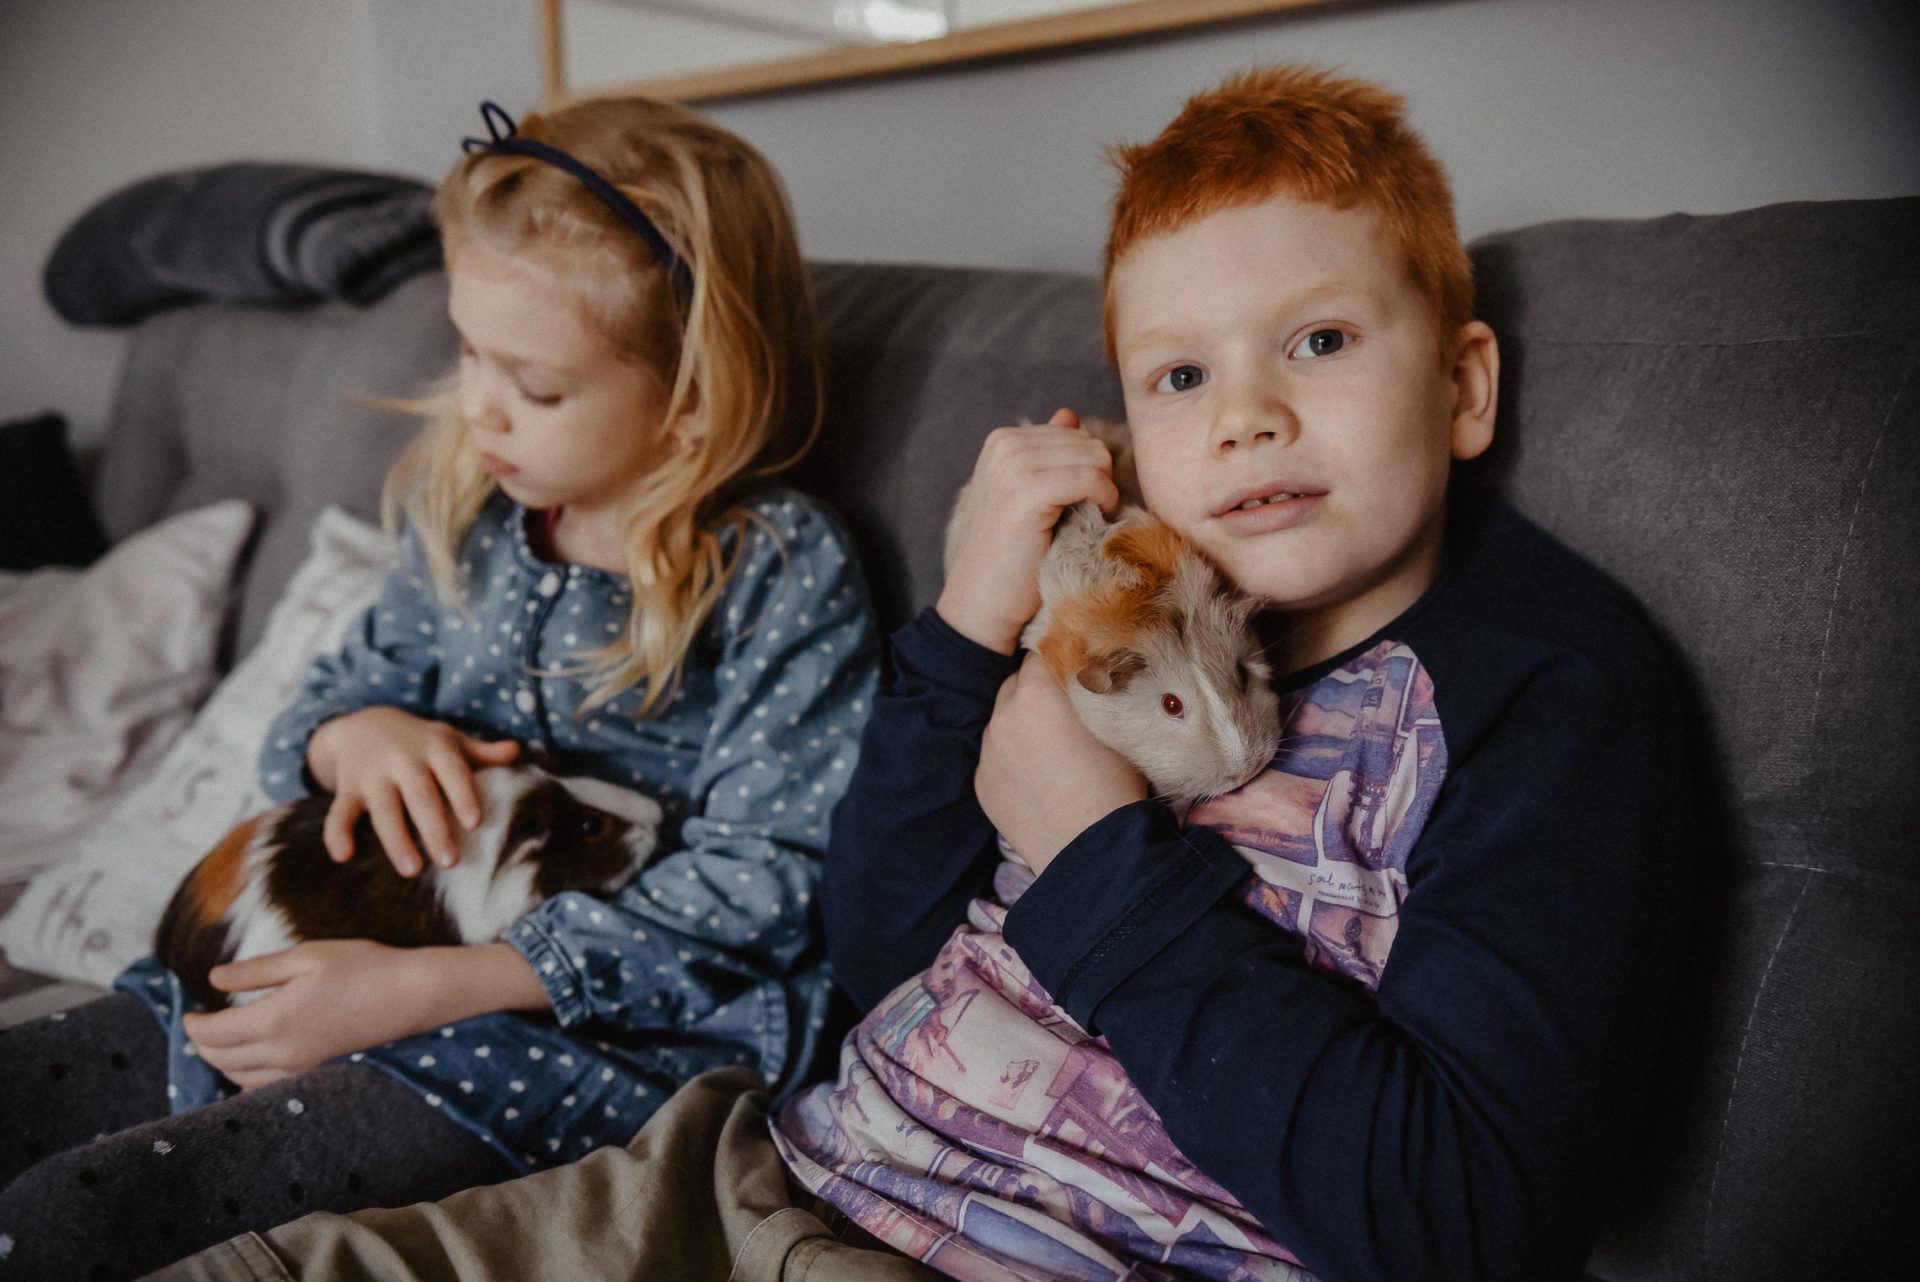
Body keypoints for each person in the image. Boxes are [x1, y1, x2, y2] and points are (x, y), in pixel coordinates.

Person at [144, 63, 1693, 1282]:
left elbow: (1460, 1220)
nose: (1246, 418)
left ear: (1465, 385)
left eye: (1322, 342)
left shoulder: (1544, 695)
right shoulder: (1128, 596)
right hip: (764, 1169)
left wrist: (1092, 851)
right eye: (1180, 374)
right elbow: (882, 957)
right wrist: (957, 637)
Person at [0, 96, 877, 1282]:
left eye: (536, 386)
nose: (480, 407)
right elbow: (327, 699)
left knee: (77, 1217)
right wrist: (354, 734)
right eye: (470, 352)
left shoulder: (776, 568)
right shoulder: (464, 509)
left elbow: (770, 883)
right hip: (358, 956)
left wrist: (428, 989)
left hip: (582, 1037)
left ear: (691, 398)